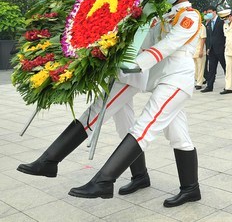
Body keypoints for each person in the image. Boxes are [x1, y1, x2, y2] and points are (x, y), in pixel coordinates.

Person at [68, 0, 203, 207]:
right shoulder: (162, 15)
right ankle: (188, 188)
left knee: (145, 126)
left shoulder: (190, 16)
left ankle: (104, 180)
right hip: (163, 79)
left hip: (177, 78)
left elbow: (167, 45)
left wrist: (137, 64)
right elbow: (144, 42)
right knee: (178, 134)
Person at [17, 81, 149, 196]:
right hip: (122, 73)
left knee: (93, 114)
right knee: (125, 126)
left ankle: (49, 160)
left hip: (130, 75)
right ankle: (140, 175)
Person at [201, 6, 225, 93]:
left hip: (221, 49)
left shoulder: (221, 21)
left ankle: (228, 85)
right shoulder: (208, 23)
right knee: (211, 69)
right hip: (211, 50)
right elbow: (208, 37)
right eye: (207, 13)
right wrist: (208, 48)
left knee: (225, 67)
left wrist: (225, 47)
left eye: (210, 12)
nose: (208, 14)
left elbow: (225, 35)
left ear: (215, 12)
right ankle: (209, 86)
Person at [194, 11, 207, 90]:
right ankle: (202, 79)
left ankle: (199, 83)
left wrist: (201, 50)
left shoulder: (201, 26)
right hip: (193, 50)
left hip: (199, 49)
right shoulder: (192, 27)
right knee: (194, 68)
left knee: (200, 67)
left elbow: (203, 38)